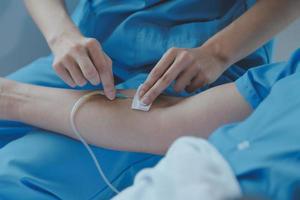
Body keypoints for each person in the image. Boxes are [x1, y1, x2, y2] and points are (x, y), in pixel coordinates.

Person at [0, 0, 299, 199]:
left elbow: (166, 121)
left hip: (192, 64)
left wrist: (217, 53)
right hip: (91, 47)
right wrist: (60, 35)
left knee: (11, 176)